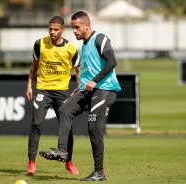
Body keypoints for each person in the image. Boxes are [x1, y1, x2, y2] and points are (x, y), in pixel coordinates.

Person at [39, 11, 121, 181]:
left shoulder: (100, 38)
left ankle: (99, 172)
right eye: (73, 28)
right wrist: (81, 87)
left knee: (93, 126)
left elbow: (112, 61)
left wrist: (94, 81)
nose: (74, 31)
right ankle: (62, 150)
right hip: (88, 90)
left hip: (104, 89)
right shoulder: (84, 46)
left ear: (87, 26)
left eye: (77, 27)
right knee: (64, 110)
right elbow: (88, 70)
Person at [26, 15, 80, 176]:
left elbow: (78, 70)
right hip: (43, 89)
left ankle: (68, 161)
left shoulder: (71, 48)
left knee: (67, 128)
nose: (52, 32)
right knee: (36, 123)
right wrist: (29, 85)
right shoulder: (40, 44)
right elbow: (34, 66)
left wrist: (79, 88)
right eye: (50, 29)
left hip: (62, 91)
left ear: (63, 30)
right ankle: (31, 161)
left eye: (56, 29)